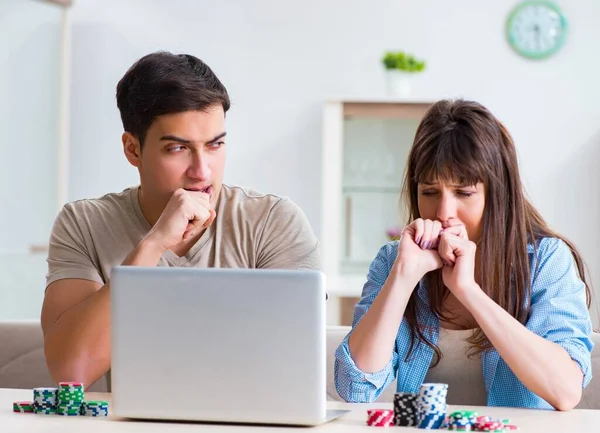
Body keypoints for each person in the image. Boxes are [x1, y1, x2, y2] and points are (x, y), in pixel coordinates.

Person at [41, 51, 319, 387]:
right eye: (178, 148)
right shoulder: (83, 223)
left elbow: (294, 369)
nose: (202, 171)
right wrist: (153, 244)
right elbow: (71, 372)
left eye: (215, 145)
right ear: (133, 149)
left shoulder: (273, 221)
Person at [334, 99, 594, 411]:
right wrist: (403, 277)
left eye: (464, 193)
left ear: (496, 194)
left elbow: (565, 391)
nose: (444, 213)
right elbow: (354, 389)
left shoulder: (546, 259)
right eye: (429, 192)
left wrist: (468, 291)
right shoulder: (395, 260)